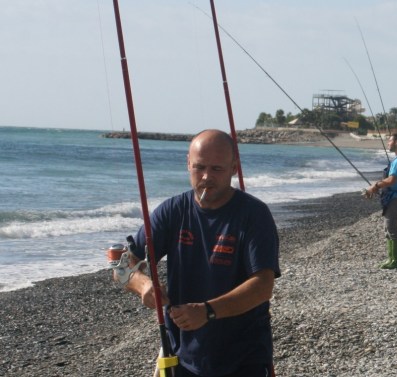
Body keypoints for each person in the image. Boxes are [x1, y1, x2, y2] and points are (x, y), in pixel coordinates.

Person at [111, 129, 280, 376]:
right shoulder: (172, 211)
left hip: (244, 357)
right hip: (181, 356)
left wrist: (208, 311)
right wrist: (144, 285)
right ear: (188, 164)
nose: (206, 177)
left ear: (234, 167)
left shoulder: (254, 215)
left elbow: (262, 286)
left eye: (217, 169)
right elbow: (124, 266)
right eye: (199, 168)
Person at [365, 133, 397, 269]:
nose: (388, 143)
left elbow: (392, 180)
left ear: (396, 142)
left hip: (395, 198)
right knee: (387, 228)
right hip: (394, 197)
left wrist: (376, 185)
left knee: (392, 228)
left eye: (390, 141)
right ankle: (390, 259)